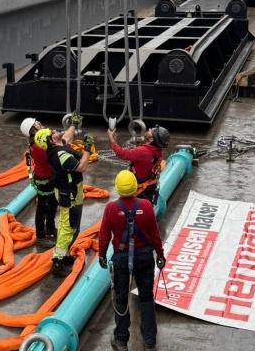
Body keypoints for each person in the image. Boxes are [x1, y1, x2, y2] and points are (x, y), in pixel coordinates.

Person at [98, 170, 166, 351]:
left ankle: (121, 340)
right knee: (146, 298)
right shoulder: (145, 205)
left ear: (118, 188)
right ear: (136, 186)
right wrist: (160, 255)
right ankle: (150, 342)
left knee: (121, 299)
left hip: (121, 259)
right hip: (144, 257)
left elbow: (104, 236)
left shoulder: (111, 208)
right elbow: (154, 235)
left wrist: (102, 256)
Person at [34, 124, 93, 276]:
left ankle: (65, 255)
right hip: (69, 194)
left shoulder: (57, 147)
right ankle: (58, 261)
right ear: (51, 141)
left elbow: (67, 136)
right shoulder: (60, 154)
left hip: (71, 191)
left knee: (73, 227)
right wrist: (87, 148)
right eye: (52, 132)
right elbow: (81, 167)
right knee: (68, 227)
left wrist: (73, 124)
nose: (54, 130)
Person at [106, 125, 170, 204]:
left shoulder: (143, 151)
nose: (149, 129)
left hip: (139, 189)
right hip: (148, 186)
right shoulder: (157, 150)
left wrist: (111, 139)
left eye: (151, 131)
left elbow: (122, 154)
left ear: (152, 139)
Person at [21, 117, 58, 247]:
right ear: (32, 130)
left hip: (47, 177)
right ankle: (41, 236)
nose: (39, 123)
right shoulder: (38, 146)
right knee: (42, 207)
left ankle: (50, 227)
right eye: (36, 123)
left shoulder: (38, 141)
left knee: (53, 203)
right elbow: (53, 153)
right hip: (44, 179)